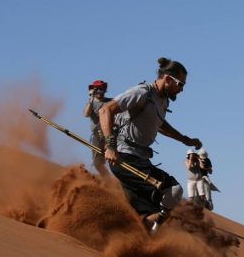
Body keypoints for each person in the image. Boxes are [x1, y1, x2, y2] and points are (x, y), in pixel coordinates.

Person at [99, 57, 202, 234]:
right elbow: (105, 110)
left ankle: (135, 231)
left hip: (141, 160)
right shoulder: (142, 93)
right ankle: (145, 232)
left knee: (168, 197)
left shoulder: (163, 101)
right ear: (168, 79)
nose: (182, 89)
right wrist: (110, 146)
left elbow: (160, 125)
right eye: (180, 84)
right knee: (170, 192)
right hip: (124, 158)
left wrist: (184, 139)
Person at [83, 80, 112, 177]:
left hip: (111, 134)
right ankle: (108, 181)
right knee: (97, 163)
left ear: (104, 90)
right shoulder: (91, 103)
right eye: (96, 89)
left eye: (101, 89)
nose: (99, 91)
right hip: (97, 135)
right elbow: (86, 114)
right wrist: (91, 99)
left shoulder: (111, 102)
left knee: (113, 160)